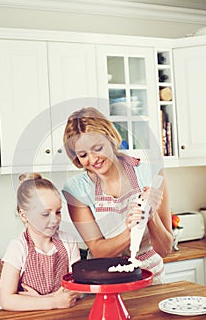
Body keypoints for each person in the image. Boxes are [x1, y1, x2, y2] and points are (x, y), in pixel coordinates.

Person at [62, 107, 173, 284]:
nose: (93, 159)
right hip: (104, 278)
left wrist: (150, 216)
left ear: (110, 138)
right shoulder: (76, 190)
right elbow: (98, 250)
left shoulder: (151, 174)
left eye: (98, 148)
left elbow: (165, 249)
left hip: (150, 277)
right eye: (83, 155)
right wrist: (132, 229)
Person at [0, 173, 80, 311]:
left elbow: (78, 288)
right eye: (45, 214)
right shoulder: (18, 247)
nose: (55, 220)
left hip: (66, 319)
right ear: (24, 215)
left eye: (58, 212)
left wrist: (37, 299)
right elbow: (6, 300)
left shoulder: (69, 242)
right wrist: (53, 301)